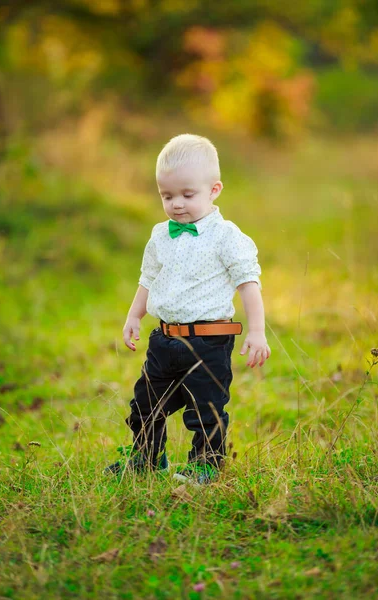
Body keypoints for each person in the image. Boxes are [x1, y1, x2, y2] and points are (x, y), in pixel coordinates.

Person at [105, 133, 271, 485]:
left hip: (209, 341)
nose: (177, 204)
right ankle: (148, 459)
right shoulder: (159, 235)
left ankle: (206, 465)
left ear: (214, 189)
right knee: (144, 405)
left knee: (205, 408)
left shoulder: (227, 237)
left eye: (187, 194)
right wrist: (135, 315)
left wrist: (257, 330)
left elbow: (248, 284)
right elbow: (148, 278)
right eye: (167, 196)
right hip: (164, 340)